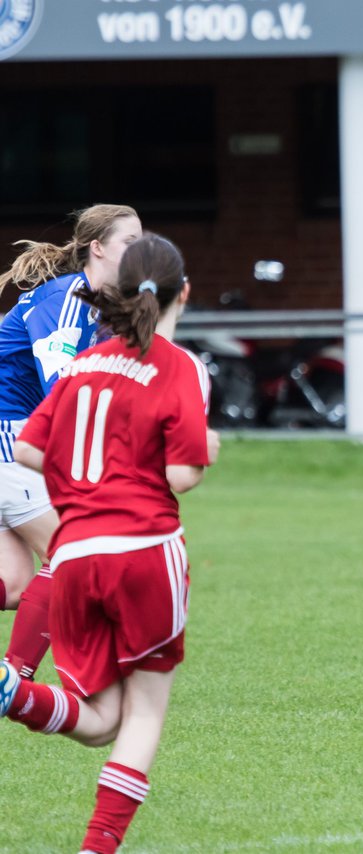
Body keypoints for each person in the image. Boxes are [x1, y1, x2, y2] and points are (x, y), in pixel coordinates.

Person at [0, 233, 216, 854]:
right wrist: (207, 452)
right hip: (145, 550)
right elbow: (182, 475)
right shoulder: (180, 366)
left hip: (75, 556)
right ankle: (98, 848)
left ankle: (12, 690)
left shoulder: (85, 366)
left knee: (99, 724)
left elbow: (32, 451)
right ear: (185, 293)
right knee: (144, 716)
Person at [0, 204, 143, 681]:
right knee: (72, 554)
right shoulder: (66, 298)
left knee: (17, 583)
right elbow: (61, 388)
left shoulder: (105, 308)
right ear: (97, 248)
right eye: (129, 241)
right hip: (10, 436)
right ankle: (12, 680)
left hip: (20, 437)